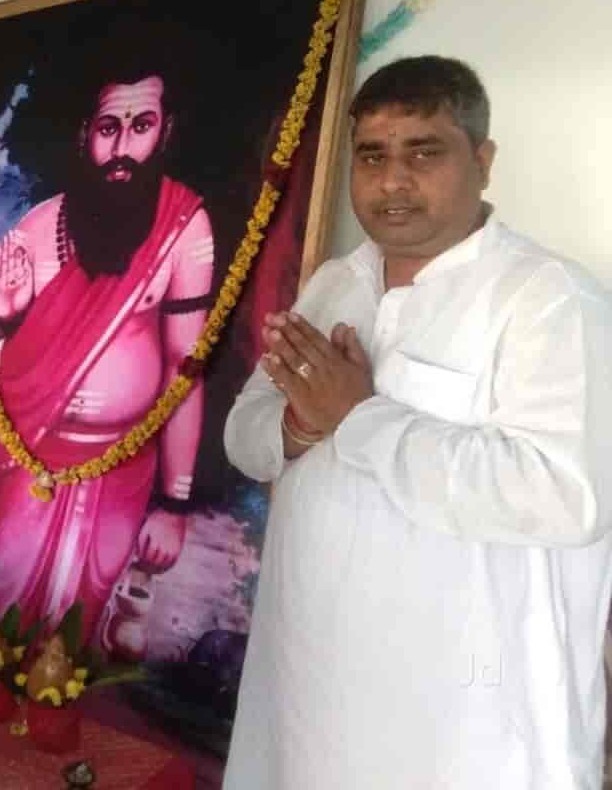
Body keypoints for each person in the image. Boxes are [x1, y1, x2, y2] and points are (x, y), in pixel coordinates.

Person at [222, 56, 612, 789]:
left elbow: (566, 497)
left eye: (424, 153)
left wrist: (358, 416)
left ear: (483, 162)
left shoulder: (548, 298)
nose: (392, 181)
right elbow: (246, 437)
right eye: (372, 156)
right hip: (311, 683)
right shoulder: (336, 283)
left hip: (470, 718)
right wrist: (300, 426)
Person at [0, 42, 215, 650]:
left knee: (83, 639)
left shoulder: (184, 229)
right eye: (107, 128)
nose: (122, 147)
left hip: (119, 473)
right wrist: (4, 311)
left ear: (166, 130)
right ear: (85, 135)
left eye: (141, 126)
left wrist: (175, 504)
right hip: (26, 466)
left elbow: (185, 369)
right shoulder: (38, 225)